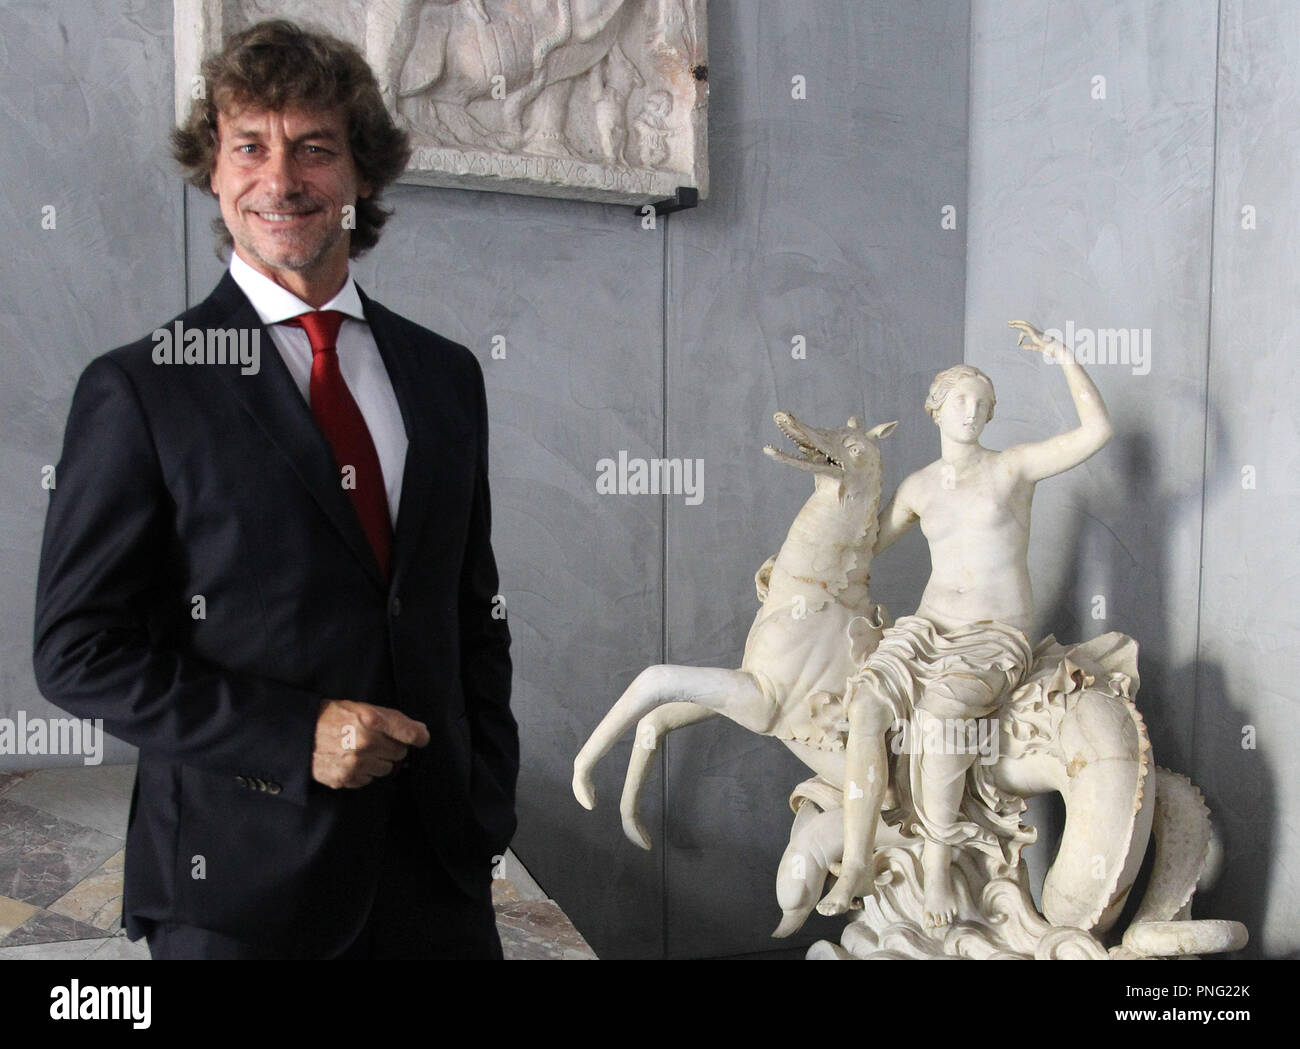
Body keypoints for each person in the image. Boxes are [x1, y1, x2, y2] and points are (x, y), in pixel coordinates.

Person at [32, 19, 518, 959]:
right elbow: (77, 650)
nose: (281, 179)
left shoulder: (446, 373)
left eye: (314, 149)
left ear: (360, 177)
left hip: (439, 885)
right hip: (239, 892)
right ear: (214, 171)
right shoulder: (144, 386)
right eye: (249, 146)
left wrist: (482, 792)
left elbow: (472, 611)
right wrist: (297, 735)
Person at [816, 321, 1113, 928]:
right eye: (960, 400)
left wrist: (1061, 356)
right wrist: (799, 565)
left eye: (982, 404)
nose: (972, 411)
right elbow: (860, 550)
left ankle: (935, 862)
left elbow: (1097, 432)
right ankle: (853, 862)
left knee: (938, 721)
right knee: (868, 709)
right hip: (927, 629)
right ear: (936, 409)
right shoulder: (919, 486)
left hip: (993, 635)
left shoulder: (1014, 468)